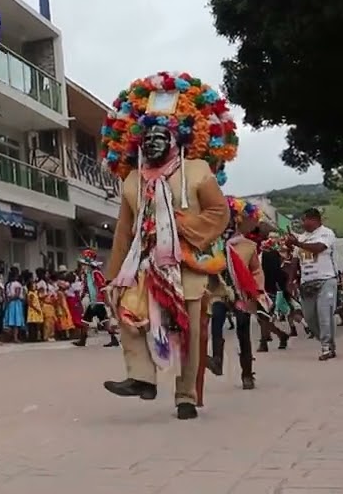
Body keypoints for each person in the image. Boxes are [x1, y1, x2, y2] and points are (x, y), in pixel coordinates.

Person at [100, 72, 236, 421]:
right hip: (143, 265)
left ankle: (186, 396)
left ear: (177, 140)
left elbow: (218, 212)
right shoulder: (132, 180)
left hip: (185, 265)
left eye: (161, 137)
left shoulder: (198, 170)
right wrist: (112, 274)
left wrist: (181, 225)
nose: (153, 143)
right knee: (127, 314)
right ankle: (142, 378)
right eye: (147, 138)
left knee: (189, 333)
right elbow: (124, 230)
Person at [206, 197, 265, 391]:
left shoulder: (248, 246)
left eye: (230, 220)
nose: (227, 224)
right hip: (219, 292)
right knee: (216, 322)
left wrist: (257, 292)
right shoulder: (212, 245)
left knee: (242, 330)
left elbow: (256, 271)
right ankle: (216, 360)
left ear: (237, 221)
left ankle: (247, 374)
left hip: (242, 294)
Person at [288, 209, 339, 361]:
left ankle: (326, 347)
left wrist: (297, 242)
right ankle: (327, 343)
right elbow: (295, 260)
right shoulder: (302, 237)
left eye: (305, 220)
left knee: (325, 314)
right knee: (310, 318)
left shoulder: (326, 233)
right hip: (307, 283)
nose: (303, 223)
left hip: (326, 280)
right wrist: (290, 280)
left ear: (315, 220)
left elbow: (319, 248)